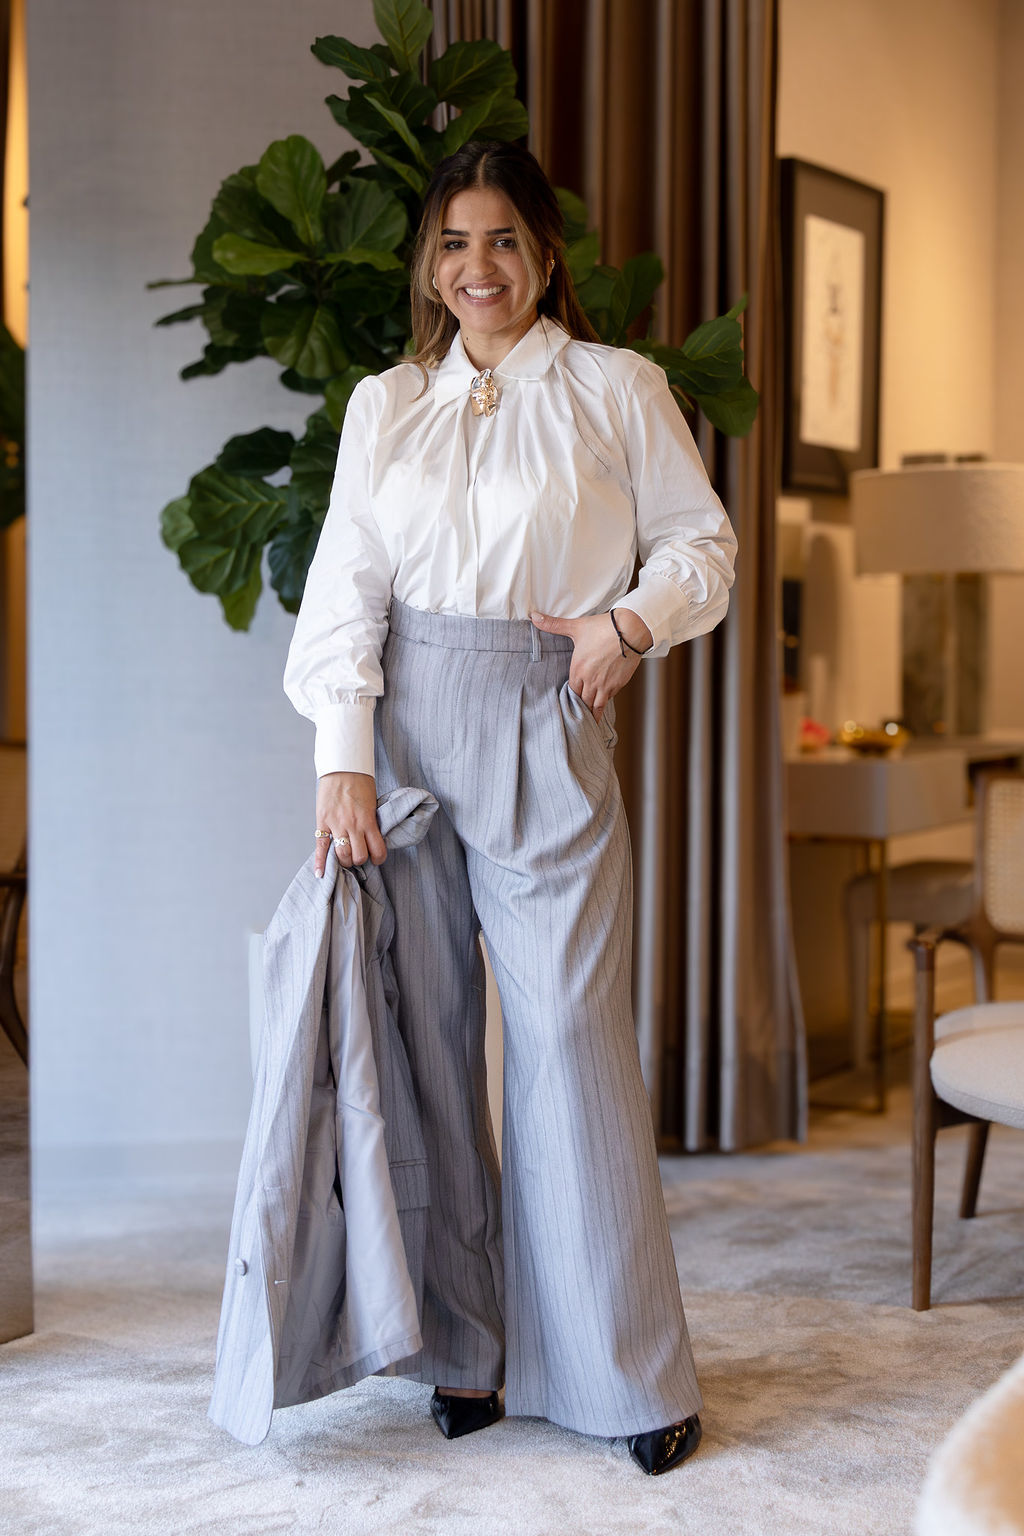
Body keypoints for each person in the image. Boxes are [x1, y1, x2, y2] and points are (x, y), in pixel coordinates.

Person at [283, 139, 737, 1476]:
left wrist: (629, 625)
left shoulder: (614, 385)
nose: (477, 267)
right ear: (430, 263)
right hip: (406, 735)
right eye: (453, 242)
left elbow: (702, 544)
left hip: (548, 714)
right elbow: (347, 578)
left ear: (544, 251)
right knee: (423, 1045)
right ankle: (461, 1351)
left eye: (501, 239)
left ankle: (623, 1373)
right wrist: (343, 752)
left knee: (570, 1042)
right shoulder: (387, 403)